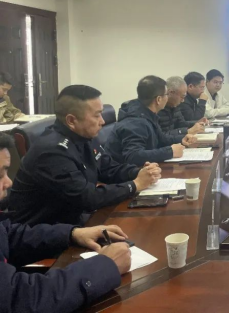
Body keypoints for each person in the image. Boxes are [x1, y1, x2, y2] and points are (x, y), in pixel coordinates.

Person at [0, 134, 133, 313]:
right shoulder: (51, 150)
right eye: (0, 175)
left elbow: (9, 235)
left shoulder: (86, 141)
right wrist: (106, 266)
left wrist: (73, 234)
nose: (8, 182)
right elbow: (21, 299)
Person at [9, 85, 162, 226]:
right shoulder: (52, 152)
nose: (102, 121)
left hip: (71, 221)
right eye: (97, 116)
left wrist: (139, 172)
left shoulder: (84, 136)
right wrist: (134, 185)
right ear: (71, 120)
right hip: (43, 232)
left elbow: (108, 168)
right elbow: (87, 198)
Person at [105, 76, 196, 167]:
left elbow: (161, 139)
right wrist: (170, 152)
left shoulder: (149, 113)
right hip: (122, 172)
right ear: (158, 100)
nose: (167, 98)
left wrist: (181, 139)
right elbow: (133, 156)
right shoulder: (136, 121)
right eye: (166, 95)